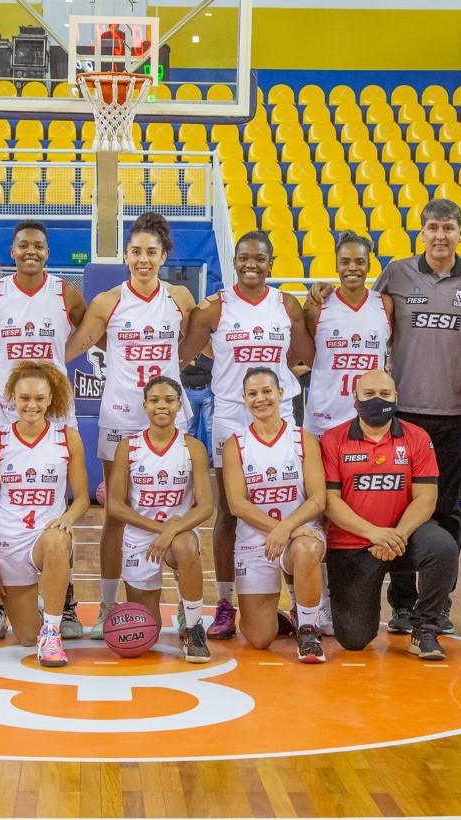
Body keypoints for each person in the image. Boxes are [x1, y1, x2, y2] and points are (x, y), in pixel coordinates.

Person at [309, 198, 461, 634]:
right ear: (421, 232)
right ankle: (402, 604)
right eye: (432, 228)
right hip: (401, 412)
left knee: (445, 513)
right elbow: (357, 297)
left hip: (456, 412)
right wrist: (322, 290)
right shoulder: (397, 274)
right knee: (395, 507)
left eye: (448, 228)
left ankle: (437, 604)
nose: (440, 235)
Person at [64, 212, 196, 639]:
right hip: (121, 415)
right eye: (136, 252)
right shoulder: (108, 301)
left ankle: (188, 611)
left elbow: (191, 344)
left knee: (178, 510)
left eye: (151, 253)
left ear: (163, 256)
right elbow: (76, 345)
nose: (143, 259)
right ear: (125, 255)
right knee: (116, 517)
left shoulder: (180, 298)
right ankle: (106, 605)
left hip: (169, 413)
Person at [180, 231, 314, 640]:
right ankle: (224, 602)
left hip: (280, 409)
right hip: (233, 414)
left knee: (292, 497)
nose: (251, 263)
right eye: (243, 257)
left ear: (271, 264)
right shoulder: (214, 309)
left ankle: (297, 602)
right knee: (228, 511)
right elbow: (185, 353)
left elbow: (302, 354)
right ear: (233, 262)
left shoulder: (285, 304)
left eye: (259, 258)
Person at [0, 221, 88, 640]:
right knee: (3, 495)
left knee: (54, 502)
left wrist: (57, 363)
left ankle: (67, 603)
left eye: (38, 245)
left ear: (47, 250)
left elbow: (87, 330)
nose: (30, 251)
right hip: (7, 408)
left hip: (53, 408)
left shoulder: (66, 293)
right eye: (23, 245)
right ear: (12, 249)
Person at [321, 370, 459, 660]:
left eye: (384, 394)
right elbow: (330, 503)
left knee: (443, 546)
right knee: (354, 639)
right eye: (369, 394)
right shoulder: (334, 440)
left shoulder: (416, 437)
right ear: (354, 397)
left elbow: (427, 498)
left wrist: (397, 534)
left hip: (402, 538)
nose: (377, 400)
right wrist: (374, 533)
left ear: (396, 397)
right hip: (353, 544)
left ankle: (424, 629)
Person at [0, 361, 90, 667]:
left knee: (57, 540)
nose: (32, 405)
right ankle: (44, 609)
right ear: (12, 397)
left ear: (50, 398)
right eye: (25, 398)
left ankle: (52, 630)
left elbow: (81, 498)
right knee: (26, 636)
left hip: (44, 538)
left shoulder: (67, 438)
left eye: (39, 399)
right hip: (8, 544)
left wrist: (67, 519)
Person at [105, 375, 216, 663]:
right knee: (146, 633)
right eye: (154, 400)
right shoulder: (128, 447)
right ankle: (179, 607)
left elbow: (206, 506)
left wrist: (172, 531)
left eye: (169, 400)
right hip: (141, 537)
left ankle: (193, 626)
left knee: (186, 546)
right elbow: (116, 506)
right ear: (145, 405)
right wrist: (161, 529)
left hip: (178, 535)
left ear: (180, 405)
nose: (161, 406)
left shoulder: (192, 447)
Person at [219, 367, 327, 662]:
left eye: (267, 391)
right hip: (255, 541)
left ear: (281, 394)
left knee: (307, 547)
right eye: (252, 394)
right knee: (259, 638)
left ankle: (308, 629)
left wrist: (288, 529)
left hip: (299, 537)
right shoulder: (235, 445)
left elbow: (318, 499)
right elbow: (237, 506)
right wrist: (282, 529)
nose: (261, 399)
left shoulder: (303, 440)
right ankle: (275, 615)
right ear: (243, 399)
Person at [303, 231, 392, 437]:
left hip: (368, 420)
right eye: (345, 262)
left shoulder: (385, 304)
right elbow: (309, 357)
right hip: (323, 420)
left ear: (369, 266)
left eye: (360, 262)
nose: (352, 268)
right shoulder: (318, 306)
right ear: (336, 265)